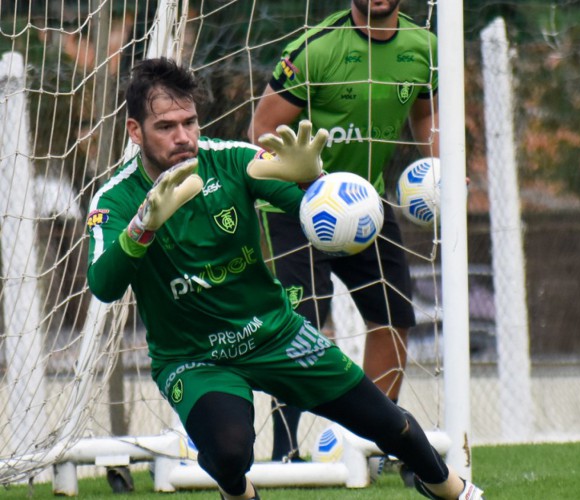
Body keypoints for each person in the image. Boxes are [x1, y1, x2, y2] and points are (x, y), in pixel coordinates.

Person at [85, 58, 480, 500]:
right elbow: (103, 285)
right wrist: (143, 226)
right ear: (135, 131)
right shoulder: (116, 198)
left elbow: (308, 205)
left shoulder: (231, 161)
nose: (183, 137)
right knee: (231, 453)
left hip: (274, 334)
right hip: (193, 357)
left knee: (388, 423)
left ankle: (453, 490)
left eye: (190, 122)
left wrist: (314, 180)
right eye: (165, 127)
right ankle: (237, 490)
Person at [248, 0, 439, 467]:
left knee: (393, 318)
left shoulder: (424, 47)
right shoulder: (315, 50)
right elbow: (262, 128)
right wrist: (305, 183)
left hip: (365, 205)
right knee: (300, 327)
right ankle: (286, 451)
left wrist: (440, 165)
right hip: (294, 204)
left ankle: (375, 445)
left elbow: (426, 114)